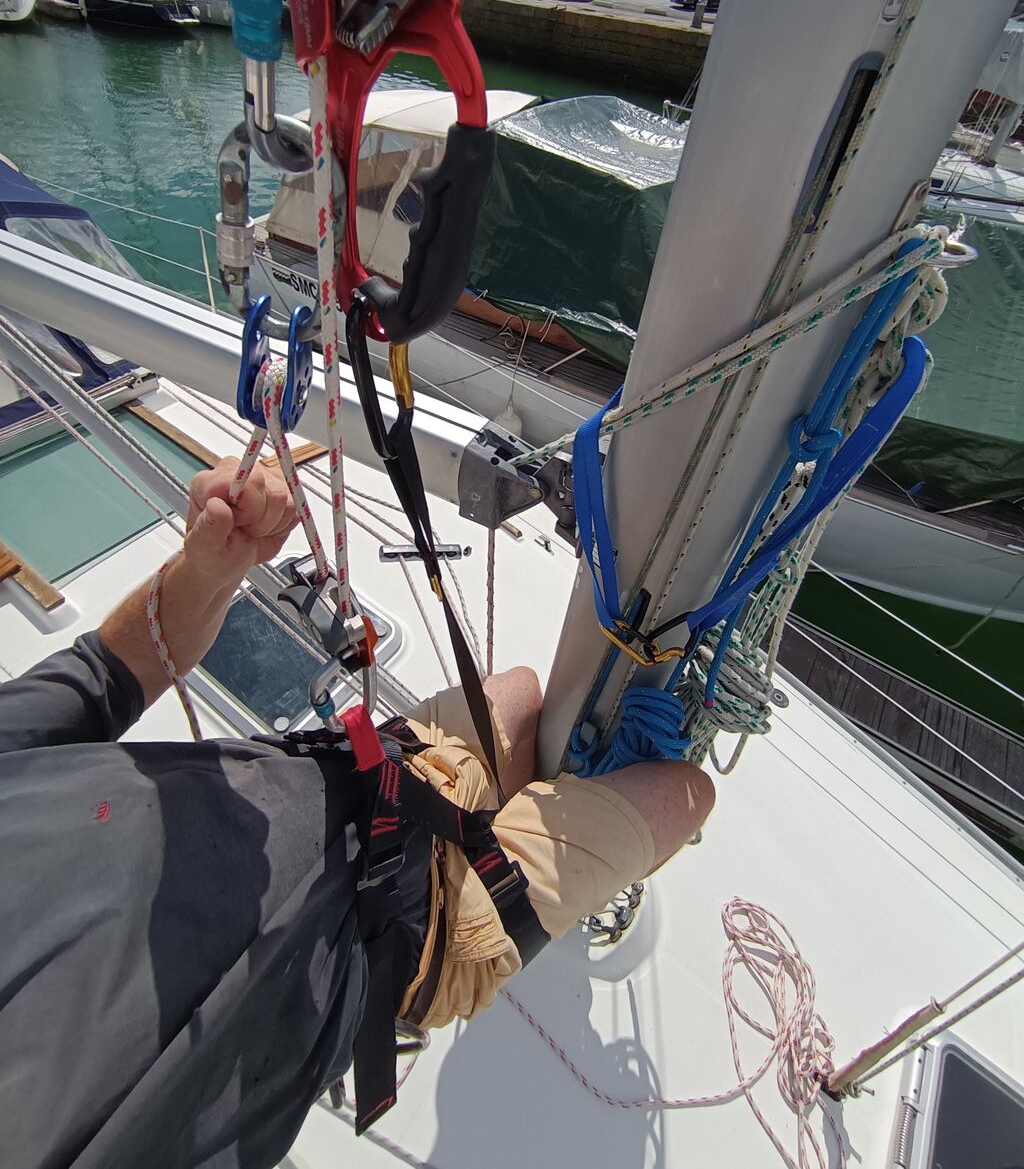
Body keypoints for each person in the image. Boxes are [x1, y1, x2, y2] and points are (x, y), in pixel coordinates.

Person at [0, 457, 714, 1169]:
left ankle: (513, 844)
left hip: (377, 773)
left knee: (522, 692)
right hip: (417, 938)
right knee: (684, 793)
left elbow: (107, 671)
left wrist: (210, 570)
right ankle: (512, 885)